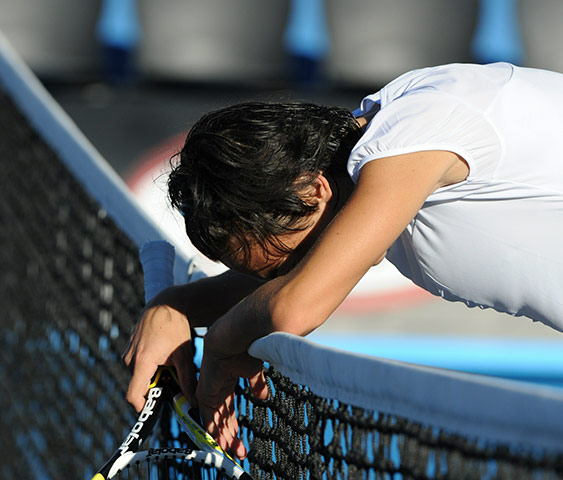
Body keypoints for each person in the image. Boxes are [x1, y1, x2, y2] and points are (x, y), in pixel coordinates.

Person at [122, 62, 563, 459]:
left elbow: (295, 303)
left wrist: (219, 346)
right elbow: (294, 281)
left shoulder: (416, 132)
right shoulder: (385, 147)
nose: (284, 277)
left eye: (282, 263)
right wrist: (178, 306)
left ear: (315, 191)